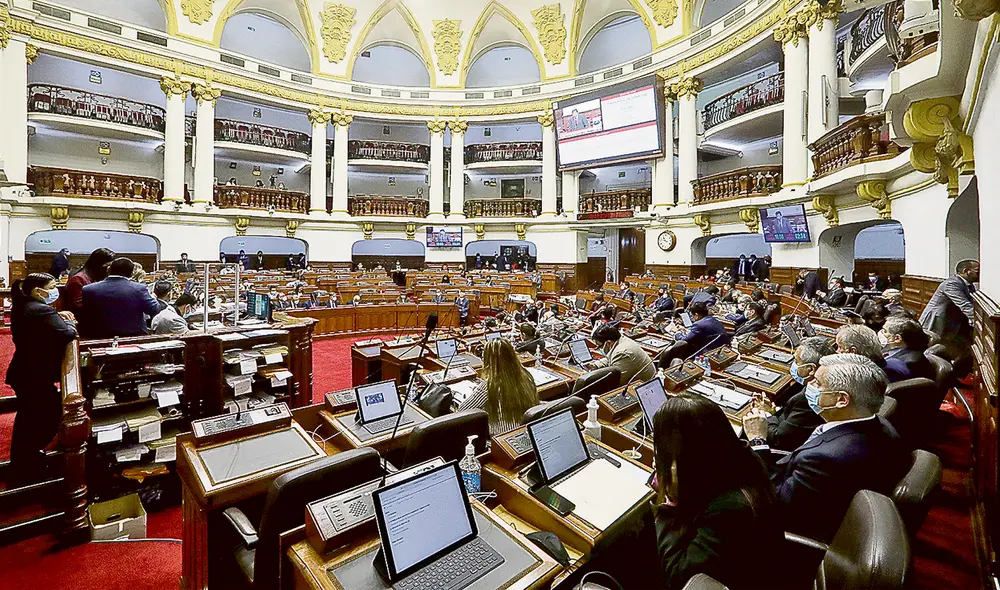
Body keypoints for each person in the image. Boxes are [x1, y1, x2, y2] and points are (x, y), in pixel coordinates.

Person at [744, 353, 907, 543]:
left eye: (817, 383)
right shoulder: (882, 426)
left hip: (789, 528)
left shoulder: (826, 458)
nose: (810, 386)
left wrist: (757, 441)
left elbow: (778, 502)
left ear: (841, 400)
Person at [651, 395, 782, 589]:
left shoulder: (729, 509)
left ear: (687, 456)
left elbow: (678, 578)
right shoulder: (740, 461)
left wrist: (670, 500)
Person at [6, 273, 78, 483]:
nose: (56, 290)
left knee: (29, 418)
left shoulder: (25, 305)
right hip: (33, 373)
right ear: (39, 291)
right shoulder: (40, 309)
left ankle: (23, 462)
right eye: (53, 286)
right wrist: (70, 323)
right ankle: (26, 467)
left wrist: (57, 315)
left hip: (27, 372)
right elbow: (67, 334)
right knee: (40, 418)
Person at [750, 337, 835, 451]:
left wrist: (766, 414)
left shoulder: (809, 399)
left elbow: (778, 439)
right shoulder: (818, 387)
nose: (793, 365)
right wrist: (772, 412)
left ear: (811, 369)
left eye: (796, 361)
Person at [457, 339, 539, 436]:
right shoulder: (526, 375)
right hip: (526, 433)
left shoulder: (490, 385)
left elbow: (462, 410)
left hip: (501, 439)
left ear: (488, 360)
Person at [80, 257, 162, 339]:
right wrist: (153, 298)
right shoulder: (139, 289)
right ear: (131, 273)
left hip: (97, 338)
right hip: (132, 338)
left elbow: (85, 316)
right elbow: (154, 309)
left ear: (109, 270)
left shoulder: (88, 290)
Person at [919, 259, 979, 348]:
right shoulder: (952, 283)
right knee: (929, 348)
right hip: (937, 321)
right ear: (966, 271)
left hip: (950, 322)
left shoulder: (969, 285)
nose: (980, 274)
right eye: (977, 271)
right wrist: (978, 322)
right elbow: (965, 305)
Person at [661, 302, 726, 367]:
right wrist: (686, 330)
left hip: (705, 353)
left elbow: (684, 339)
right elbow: (702, 333)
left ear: (696, 315)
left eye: (692, 316)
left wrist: (677, 332)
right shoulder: (714, 320)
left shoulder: (699, 324)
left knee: (680, 346)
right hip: (720, 350)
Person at [592, 324, 656, 385]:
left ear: (608, 343)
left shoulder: (622, 353)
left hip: (644, 387)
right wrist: (595, 365)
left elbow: (615, 383)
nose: (599, 349)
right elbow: (610, 357)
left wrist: (592, 377)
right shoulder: (621, 340)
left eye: (599, 346)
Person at [60, 247, 115, 316]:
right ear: (99, 265)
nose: (108, 270)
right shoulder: (78, 279)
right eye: (108, 266)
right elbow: (79, 308)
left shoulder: (96, 277)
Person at [881, 316, 934, 382]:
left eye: (885, 331)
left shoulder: (905, 364)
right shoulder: (903, 348)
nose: (882, 333)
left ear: (897, 338)